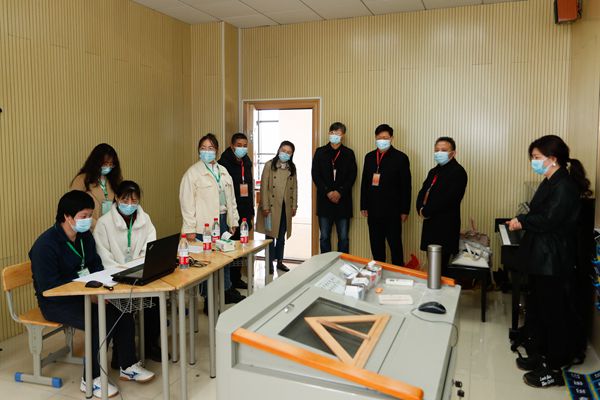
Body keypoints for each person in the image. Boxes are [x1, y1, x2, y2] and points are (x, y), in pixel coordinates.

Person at [30, 190, 154, 399]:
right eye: (84, 216)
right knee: (99, 320)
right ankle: (91, 379)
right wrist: (88, 295)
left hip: (87, 293)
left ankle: (128, 365)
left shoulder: (84, 237)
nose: (88, 220)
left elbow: (95, 265)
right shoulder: (45, 245)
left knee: (122, 308)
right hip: (56, 302)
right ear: (67, 217)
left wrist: (100, 289)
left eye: (90, 215)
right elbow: (50, 288)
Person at [506, 135, 590, 388]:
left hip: (554, 261)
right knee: (539, 310)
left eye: (537, 157)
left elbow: (549, 220)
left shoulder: (564, 186)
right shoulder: (550, 180)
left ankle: (554, 366)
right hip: (542, 258)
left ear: (553, 159)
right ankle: (540, 354)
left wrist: (522, 221)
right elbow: (539, 212)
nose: (533, 162)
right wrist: (524, 219)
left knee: (555, 314)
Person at [93, 180, 164, 363]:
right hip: (114, 276)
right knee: (121, 304)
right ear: (116, 198)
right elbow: (103, 254)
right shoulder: (104, 224)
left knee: (155, 299)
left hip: (139, 272)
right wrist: (121, 272)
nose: (130, 204)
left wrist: (138, 267)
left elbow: (149, 246)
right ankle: (121, 352)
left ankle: (150, 345)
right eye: (125, 200)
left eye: (134, 200)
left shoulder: (144, 219)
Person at [179, 133, 244, 304]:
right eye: (203, 148)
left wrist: (233, 221)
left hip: (222, 221)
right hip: (204, 225)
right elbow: (186, 203)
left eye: (211, 148)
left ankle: (225, 291)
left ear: (217, 150)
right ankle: (209, 299)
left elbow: (231, 200)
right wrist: (190, 228)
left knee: (225, 257)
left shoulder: (223, 171)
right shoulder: (193, 173)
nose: (207, 152)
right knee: (207, 262)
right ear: (198, 151)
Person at [360, 124, 411, 266]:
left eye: (385, 137)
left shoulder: (401, 158)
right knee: (376, 246)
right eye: (379, 137)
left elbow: (406, 186)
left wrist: (405, 210)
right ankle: (378, 272)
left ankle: (398, 273)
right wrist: (363, 205)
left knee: (395, 246)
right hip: (373, 209)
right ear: (375, 138)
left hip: (393, 211)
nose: (382, 140)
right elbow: (365, 182)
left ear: (391, 138)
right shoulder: (369, 157)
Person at [416, 137, 468, 273]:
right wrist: (420, 208)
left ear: (453, 153)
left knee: (441, 269)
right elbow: (423, 191)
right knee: (432, 267)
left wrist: (426, 211)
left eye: (444, 150)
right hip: (430, 224)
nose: (439, 153)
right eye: (437, 150)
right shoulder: (433, 171)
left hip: (445, 226)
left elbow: (449, 199)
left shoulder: (458, 172)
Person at [312, 122, 357, 253]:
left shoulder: (349, 153)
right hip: (324, 201)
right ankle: (326, 263)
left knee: (343, 238)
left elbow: (352, 176)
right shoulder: (320, 152)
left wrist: (339, 192)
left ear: (343, 135)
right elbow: (315, 175)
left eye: (337, 133)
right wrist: (328, 192)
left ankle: (342, 263)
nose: (334, 135)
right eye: (332, 132)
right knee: (324, 237)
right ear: (329, 133)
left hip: (343, 202)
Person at [218, 133, 255, 288]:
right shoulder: (223, 164)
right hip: (231, 211)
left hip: (245, 210)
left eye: (245, 145)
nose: (242, 148)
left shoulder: (246, 161)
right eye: (239, 145)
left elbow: (249, 187)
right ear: (232, 146)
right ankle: (228, 283)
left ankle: (237, 277)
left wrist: (251, 211)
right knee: (230, 245)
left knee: (241, 245)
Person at [255, 141, 298, 273]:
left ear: (292, 154)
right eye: (283, 150)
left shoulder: (292, 167)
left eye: (289, 152)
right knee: (270, 237)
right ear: (279, 150)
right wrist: (265, 206)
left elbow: (295, 188)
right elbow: (264, 187)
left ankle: (280, 261)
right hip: (271, 208)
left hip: (285, 208)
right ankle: (269, 263)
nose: (285, 153)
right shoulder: (269, 165)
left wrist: (294, 205)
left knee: (281, 237)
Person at [70, 143, 123, 225]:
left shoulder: (112, 180)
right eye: (105, 163)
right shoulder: (81, 180)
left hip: (110, 226)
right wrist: (97, 225)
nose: (108, 167)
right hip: (90, 227)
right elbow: (74, 207)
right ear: (96, 162)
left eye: (111, 164)